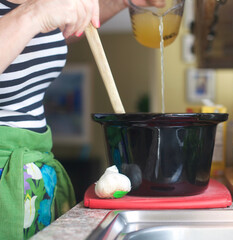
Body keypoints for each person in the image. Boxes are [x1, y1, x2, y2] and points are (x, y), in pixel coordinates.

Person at [0, 0, 165, 239]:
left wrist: (121, 2)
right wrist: (34, 12)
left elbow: (44, 39)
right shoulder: (34, 7)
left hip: (31, 181)